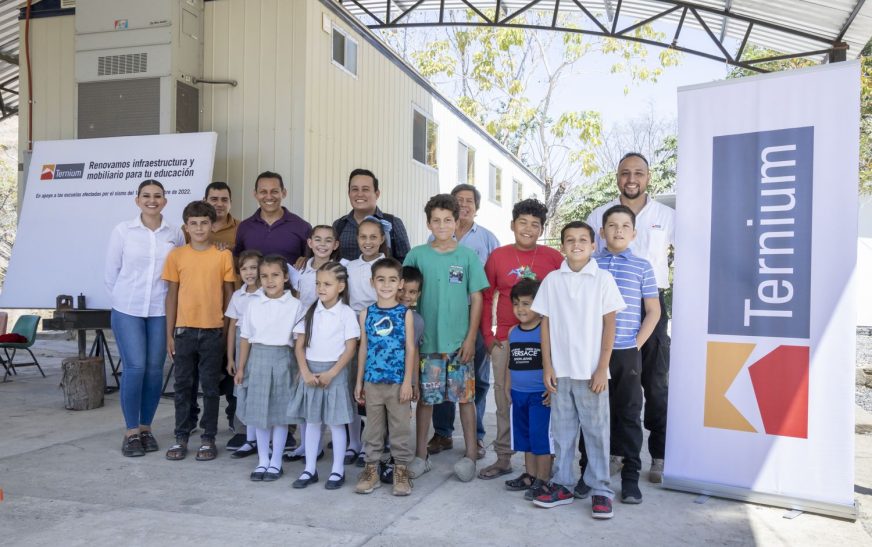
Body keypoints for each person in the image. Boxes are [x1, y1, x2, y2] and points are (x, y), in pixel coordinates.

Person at [586, 152, 674, 483]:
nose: (631, 179)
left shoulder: (666, 215)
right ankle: (614, 452)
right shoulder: (599, 214)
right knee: (607, 383)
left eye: (638, 172)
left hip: (650, 304)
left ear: (649, 177)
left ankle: (660, 455)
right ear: (617, 177)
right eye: (625, 173)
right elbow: (588, 258)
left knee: (654, 383)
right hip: (608, 307)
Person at [530, 221, 625, 519]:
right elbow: (544, 323)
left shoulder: (603, 279)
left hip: (591, 371)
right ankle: (562, 483)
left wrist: (602, 367)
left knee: (596, 432)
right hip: (561, 371)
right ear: (562, 246)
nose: (577, 244)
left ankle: (600, 489)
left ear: (594, 245)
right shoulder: (552, 280)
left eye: (583, 239)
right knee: (562, 431)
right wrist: (547, 364)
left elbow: (610, 323)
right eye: (570, 240)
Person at [404, 194, 489, 482]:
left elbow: (476, 298)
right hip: (426, 343)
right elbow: (405, 296)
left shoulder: (466, 257)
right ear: (428, 223)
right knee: (426, 400)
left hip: (458, 343)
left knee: (465, 398)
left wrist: (470, 338)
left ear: (457, 221)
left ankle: (470, 457)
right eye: (436, 221)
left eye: (448, 220)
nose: (442, 226)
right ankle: (420, 455)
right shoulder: (417, 255)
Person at [579, 205, 660, 504]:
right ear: (601, 232)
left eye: (625, 226)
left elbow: (653, 311)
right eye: (612, 225)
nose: (618, 231)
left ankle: (630, 478)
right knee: (591, 414)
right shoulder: (589, 264)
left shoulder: (642, 267)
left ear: (634, 233)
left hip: (626, 352)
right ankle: (586, 473)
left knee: (628, 414)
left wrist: (636, 344)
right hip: (591, 352)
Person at [478, 198, 563, 479]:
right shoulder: (499, 256)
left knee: (542, 399)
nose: (528, 229)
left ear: (541, 229)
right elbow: (486, 296)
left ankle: (543, 461)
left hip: (543, 341)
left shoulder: (553, 258)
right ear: (512, 224)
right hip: (506, 340)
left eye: (535, 225)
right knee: (505, 398)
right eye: (523, 223)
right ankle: (503, 457)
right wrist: (488, 336)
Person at [105, 180, 184, 457]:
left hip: (161, 310)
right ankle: (130, 432)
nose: (152, 200)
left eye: (158, 196)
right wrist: (121, 299)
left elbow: (181, 270)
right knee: (135, 368)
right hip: (128, 308)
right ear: (137, 200)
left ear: (165, 200)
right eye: (146, 196)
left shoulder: (175, 233)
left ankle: (146, 427)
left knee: (154, 370)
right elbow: (111, 271)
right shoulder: (123, 231)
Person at [429, 184, 499, 462]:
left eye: (469, 201)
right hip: (443, 318)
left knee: (478, 379)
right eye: (459, 201)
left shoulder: (487, 239)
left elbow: (492, 283)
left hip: (475, 315)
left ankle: (477, 436)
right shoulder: (437, 235)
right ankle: (442, 433)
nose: (464, 205)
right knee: (440, 376)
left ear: (476, 207)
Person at [162, 201, 236, 461]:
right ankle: (181, 435)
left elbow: (229, 296)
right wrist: (168, 333)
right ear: (186, 227)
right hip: (183, 331)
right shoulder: (176, 255)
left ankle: (208, 437)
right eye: (193, 223)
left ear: (212, 225)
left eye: (204, 223)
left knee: (211, 388)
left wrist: (226, 331)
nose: (199, 228)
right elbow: (171, 295)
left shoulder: (222, 255)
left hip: (213, 330)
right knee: (183, 385)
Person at [288, 262, 360, 490]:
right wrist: (306, 372)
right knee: (312, 423)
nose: (321, 288)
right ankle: (310, 469)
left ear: (340, 286)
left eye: (327, 284)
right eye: (318, 283)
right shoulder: (309, 311)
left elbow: (350, 348)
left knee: (337, 424)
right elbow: (299, 346)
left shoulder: (347, 313)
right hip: (310, 373)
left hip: (334, 374)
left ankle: (337, 470)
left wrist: (331, 373)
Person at [233, 255, 302, 481]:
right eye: (264, 276)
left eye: (275, 275)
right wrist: (241, 367)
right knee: (259, 413)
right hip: (258, 359)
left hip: (284, 359)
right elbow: (245, 337)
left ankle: (276, 462)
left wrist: (301, 368)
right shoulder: (253, 304)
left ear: (285, 277)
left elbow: (299, 341)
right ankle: (263, 460)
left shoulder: (295, 305)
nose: (270, 280)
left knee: (280, 415)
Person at [353, 258, 416, 496]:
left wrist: (408, 381)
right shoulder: (366, 313)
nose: (386, 285)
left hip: (398, 383)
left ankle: (400, 470)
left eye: (392, 280)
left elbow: (410, 348)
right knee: (373, 429)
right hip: (373, 382)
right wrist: (359, 381)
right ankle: (371, 470)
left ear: (400, 284)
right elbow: (363, 348)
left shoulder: (405, 314)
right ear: (372, 282)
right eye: (381, 279)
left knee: (400, 429)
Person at [283, 225, 344, 463]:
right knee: (306, 393)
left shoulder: (341, 268)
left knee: (331, 395)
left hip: (330, 338)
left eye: (328, 240)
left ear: (335, 245)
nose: (322, 244)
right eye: (317, 239)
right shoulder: (302, 271)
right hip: (305, 334)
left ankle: (347, 444)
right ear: (309, 243)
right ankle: (308, 446)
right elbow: (297, 301)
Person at [186, 182, 240, 448]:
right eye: (214, 198)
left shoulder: (240, 229)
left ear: (230, 202)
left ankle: (231, 417)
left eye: (224, 199)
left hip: (229, 309)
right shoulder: (192, 233)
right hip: (196, 313)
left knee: (229, 369)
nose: (219, 203)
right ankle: (192, 419)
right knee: (195, 374)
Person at [344, 217, 390, 465]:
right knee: (354, 387)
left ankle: (375, 442)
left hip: (380, 331)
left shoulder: (388, 266)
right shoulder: (349, 267)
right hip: (353, 331)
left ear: (382, 239)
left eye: (374, 237)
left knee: (375, 391)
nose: (368, 241)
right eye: (363, 237)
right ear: (357, 239)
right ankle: (354, 443)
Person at [502, 279, 552, 502]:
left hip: (540, 395)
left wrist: (553, 387)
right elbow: (510, 362)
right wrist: (506, 386)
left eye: (526, 303)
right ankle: (530, 475)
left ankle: (543, 479)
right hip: (518, 394)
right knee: (525, 438)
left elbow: (554, 360)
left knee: (540, 438)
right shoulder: (513, 331)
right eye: (516, 304)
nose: (520, 309)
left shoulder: (546, 329)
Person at [224, 250, 263, 459]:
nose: (249, 272)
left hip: (260, 346)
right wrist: (231, 358)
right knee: (244, 391)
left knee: (260, 390)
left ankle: (264, 436)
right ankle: (249, 438)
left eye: (254, 267)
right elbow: (232, 328)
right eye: (244, 268)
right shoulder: (238, 296)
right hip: (241, 347)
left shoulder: (266, 293)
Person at [332, 169, 411, 262]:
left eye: (365, 189)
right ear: (349, 193)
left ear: (377, 194)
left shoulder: (393, 223)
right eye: (355, 189)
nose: (359, 194)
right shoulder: (339, 225)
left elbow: (406, 263)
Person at [234, 171, 311, 265]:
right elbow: (238, 262)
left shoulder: (302, 226)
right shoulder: (244, 227)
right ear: (255, 194)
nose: (269, 197)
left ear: (284, 193)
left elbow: (312, 263)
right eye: (263, 192)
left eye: (274, 191)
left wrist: (307, 260)